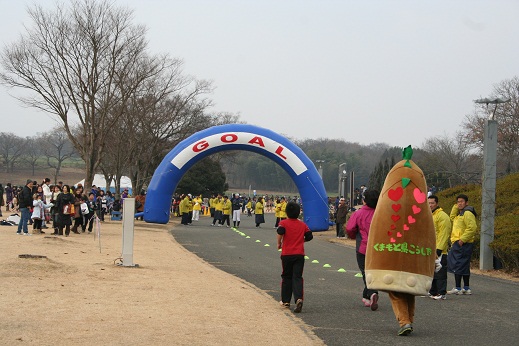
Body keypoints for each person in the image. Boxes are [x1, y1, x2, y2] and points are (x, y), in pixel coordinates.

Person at [276, 201, 313, 313]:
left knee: (286, 276)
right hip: (299, 254)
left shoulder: (284, 223)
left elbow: (280, 231)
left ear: (287, 212)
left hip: (287, 254)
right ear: (298, 212)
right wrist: (303, 240)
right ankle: (298, 298)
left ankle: (286, 301)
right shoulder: (302, 224)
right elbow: (310, 236)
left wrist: (279, 243)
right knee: (297, 277)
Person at [346, 189, 379, 310]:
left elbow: (350, 228)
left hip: (363, 247)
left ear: (364, 200)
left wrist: (353, 235)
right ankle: (366, 296)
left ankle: (372, 293)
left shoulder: (359, 213)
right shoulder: (381, 213)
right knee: (374, 271)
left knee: (365, 271)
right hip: (379, 247)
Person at [447, 194, 477, 295]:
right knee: (464, 265)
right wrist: (456, 207)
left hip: (463, 243)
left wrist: (462, 239)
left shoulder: (467, 213)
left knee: (458, 264)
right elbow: (451, 217)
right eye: (458, 202)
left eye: (461, 201)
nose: (459, 203)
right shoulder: (460, 214)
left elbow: (472, 228)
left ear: (466, 203)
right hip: (459, 242)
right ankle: (466, 288)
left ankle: (458, 287)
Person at [428, 195, 452, 300]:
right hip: (430, 248)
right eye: (428, 203)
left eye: (432, 203)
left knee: (440, 272)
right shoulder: (430, 215)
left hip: (440, 250)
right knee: (431, 271)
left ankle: (441, 293)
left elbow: (444, 234)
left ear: (437, 203)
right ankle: (433, 291)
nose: (430, 205)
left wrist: (439, 248)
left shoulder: (442, 216)